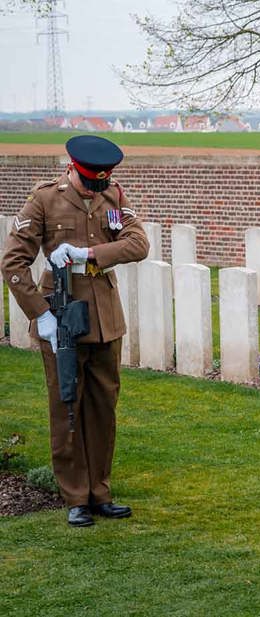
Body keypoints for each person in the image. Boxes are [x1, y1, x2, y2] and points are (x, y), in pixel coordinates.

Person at [1, 135, 149, 527]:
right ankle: (75, 496)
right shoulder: (44, 199)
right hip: (62, 317)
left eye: (102, 181)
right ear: (73, 169)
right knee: (67, 406)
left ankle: (100, 491)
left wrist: (89, 253)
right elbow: (13, 262)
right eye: (89, 181)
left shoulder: (113, 195)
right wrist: (40, 314)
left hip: (105, 319)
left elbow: (138, 243)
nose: (95, 188)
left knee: (103, 409)